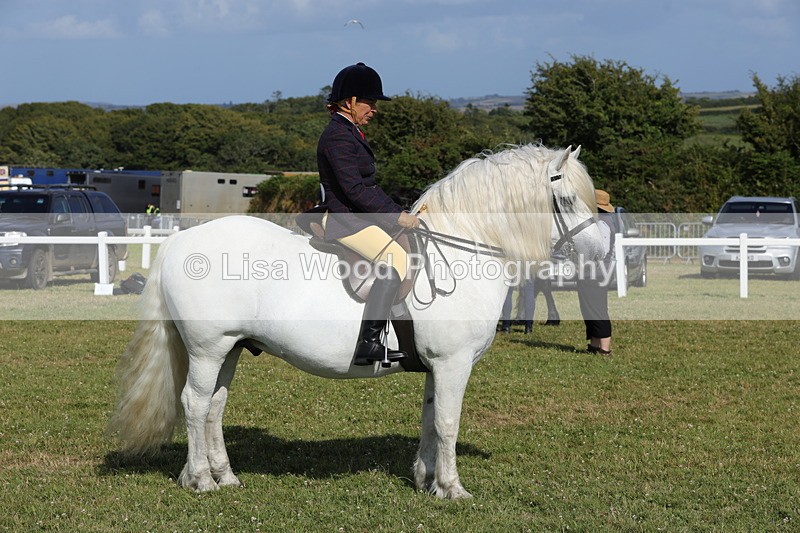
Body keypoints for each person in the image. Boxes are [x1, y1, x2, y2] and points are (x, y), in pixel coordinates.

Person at [317, 62, 420, 366]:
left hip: (356, 216)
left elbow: (367, 187)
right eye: (370, 102)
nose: (374, 108)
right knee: (396, 260)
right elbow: (354, 190)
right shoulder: (338, 135)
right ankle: (369, 343)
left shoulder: (350, 132)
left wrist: (397, 208)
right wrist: (395, 216)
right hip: (344, 218)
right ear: (349, 102)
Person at [577, 189, 615, 355]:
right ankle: (594, 345)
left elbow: (602, 251)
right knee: (589, 308)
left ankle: (604, 349)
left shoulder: (602, 224)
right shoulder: (599, 221)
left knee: (598, 309)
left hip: (597, 272)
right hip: (592, 272)